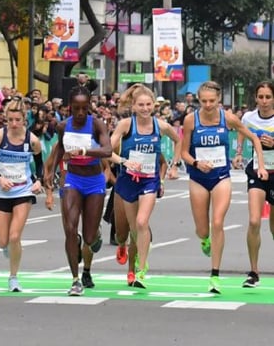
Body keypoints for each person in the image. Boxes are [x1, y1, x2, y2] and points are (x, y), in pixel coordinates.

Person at [180, 81, 266, 294]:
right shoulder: (191, 120)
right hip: (198, 177)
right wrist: (197, 163)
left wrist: (260, 164)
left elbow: (253, 137)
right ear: (198, 100)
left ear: (219, 100)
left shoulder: (227, 118)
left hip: (221, 176)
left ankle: (215, 275)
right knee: (202, 230)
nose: (208, 105)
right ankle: (205, 239)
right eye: (203, 101)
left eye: (212, 101)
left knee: (217, 222)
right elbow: (184, 153)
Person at [108, 84, 181, 289]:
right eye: (141, 104)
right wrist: (123, 161)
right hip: (127, 181)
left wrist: (174, 166)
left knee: (141, 223)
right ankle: (121, 246)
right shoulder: (125, 125)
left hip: (149, 180)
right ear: (133, 106)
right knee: (124, 232)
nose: (145, 108)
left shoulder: (162, 126)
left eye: (148, 104)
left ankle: (138, 270)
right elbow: (108, 150)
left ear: (154, 105)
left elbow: (179, 141)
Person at [43, 86, 111, 296]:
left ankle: (91, 235)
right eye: (76, 109)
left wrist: (85, 151)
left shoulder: (97, 124)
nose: (80, 113)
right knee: (70, 228)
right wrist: (50, 173)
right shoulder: (64, 126)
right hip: (72, 179)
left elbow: (107, 150)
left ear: (90, 106)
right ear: (69, 108)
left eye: (84, 108)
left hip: (94, 181)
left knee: (89, 238)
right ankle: (75, 280)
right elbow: (59, 150)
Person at [0, 96, 42, 292]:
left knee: (15, 236)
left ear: (24, 120)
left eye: (18, 120)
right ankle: (10, 249)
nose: (14, 124)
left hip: (23, 190)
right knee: (3, 242)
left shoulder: (32, 141)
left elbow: (40, 165)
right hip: (2, 191)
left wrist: (39, 181)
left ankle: (13, 277)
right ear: (5, 119)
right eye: (10, 120)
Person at [235, 81, 274, 288]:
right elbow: (241, 129)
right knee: (254, 221)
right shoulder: (249, 117)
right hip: (257, 172)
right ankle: (253, 271)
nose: (264, 101)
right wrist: (239, 151)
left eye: (268, 97)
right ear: (255, 98)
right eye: (261, 97)